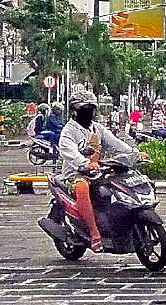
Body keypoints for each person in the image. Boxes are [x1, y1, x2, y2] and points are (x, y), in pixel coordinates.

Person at [58, 90, 142, 253]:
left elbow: (116, 144)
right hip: (75, 174)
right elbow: (69, 152)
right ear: (74, 111)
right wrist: (84, 163)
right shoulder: (68, 132)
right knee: (82, 187)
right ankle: (94, 232)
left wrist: (135, 154)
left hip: (99, 173)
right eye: (85, 109)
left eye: (91, 109)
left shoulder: (98, 129)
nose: (89, 113)